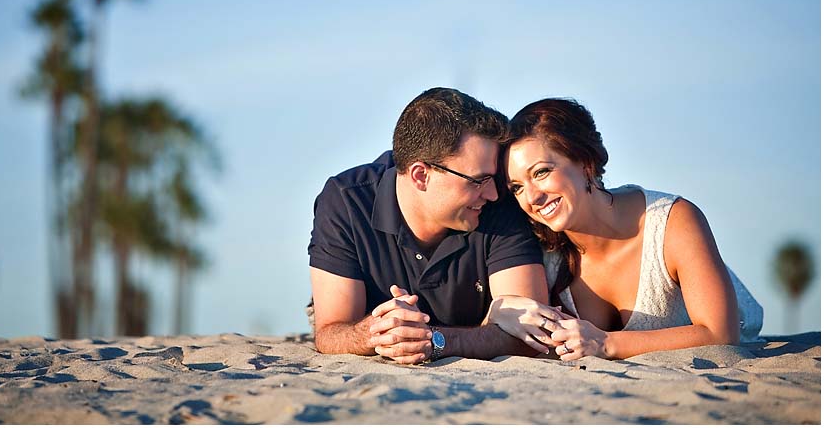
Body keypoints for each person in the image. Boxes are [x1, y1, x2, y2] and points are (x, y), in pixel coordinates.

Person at [486, 98, 763, 360]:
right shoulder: (543, 249)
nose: (532, 197)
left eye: (541, 172)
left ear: (585, 162)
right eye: (517, 188)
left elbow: (720, 334)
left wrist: (606, 343)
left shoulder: (673, 221)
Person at [308, 87, 562, 365]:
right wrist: (376, 333)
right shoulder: (346, 201)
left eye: (492, 179)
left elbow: (530, 334)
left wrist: (433, 340)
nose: (492, 193)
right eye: (477, 181)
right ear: (420, 175)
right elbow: (330, 332)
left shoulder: (499, 201)